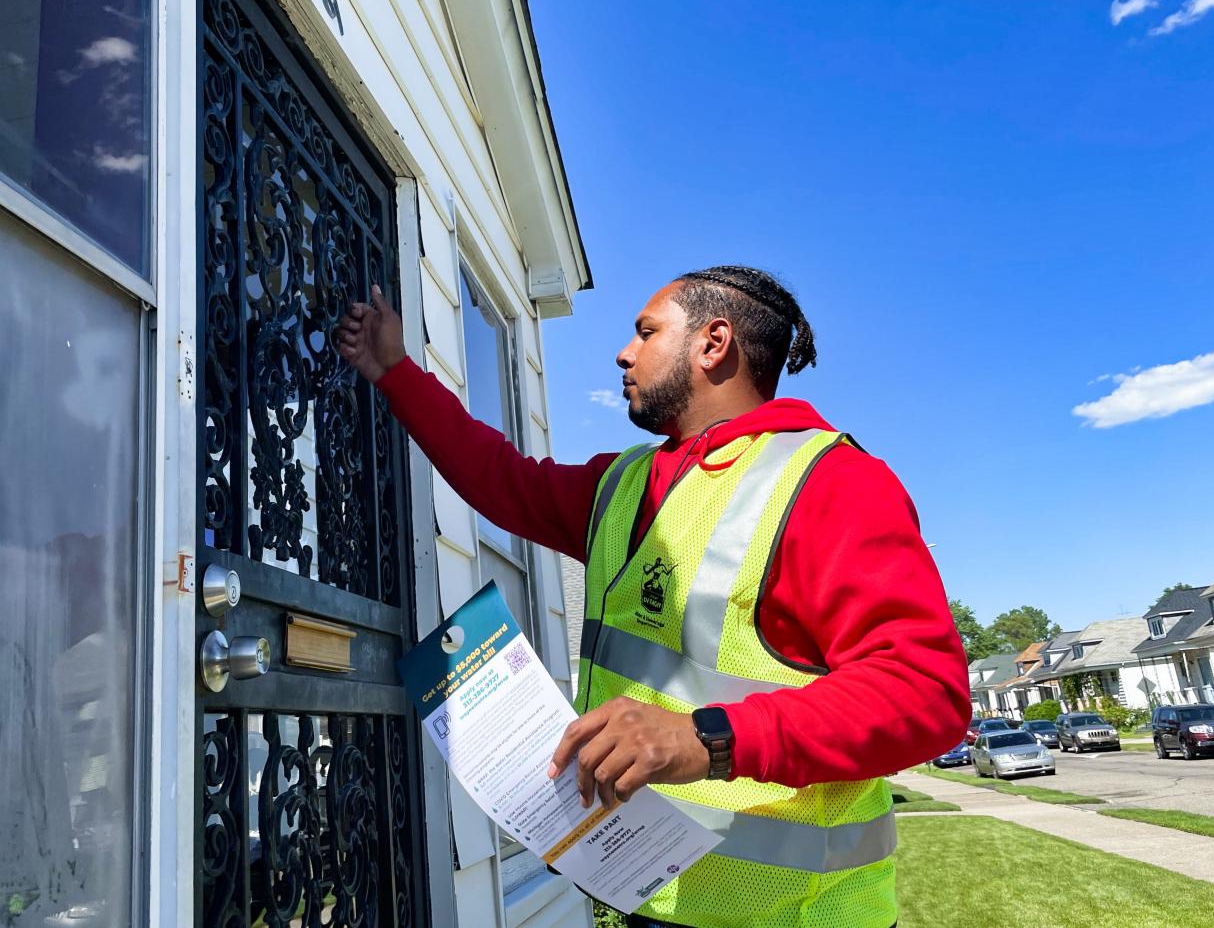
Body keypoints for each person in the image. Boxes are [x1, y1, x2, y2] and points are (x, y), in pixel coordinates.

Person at [338, 266, 970, 928]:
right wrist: (396, 372)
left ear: (713, 342)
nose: (623, 351)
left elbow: (927, 693)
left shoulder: (831, 482)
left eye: (646, 332)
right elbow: (502, 481)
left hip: (798, 915)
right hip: (653, 894)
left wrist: (708, 738)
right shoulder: (622, 484)